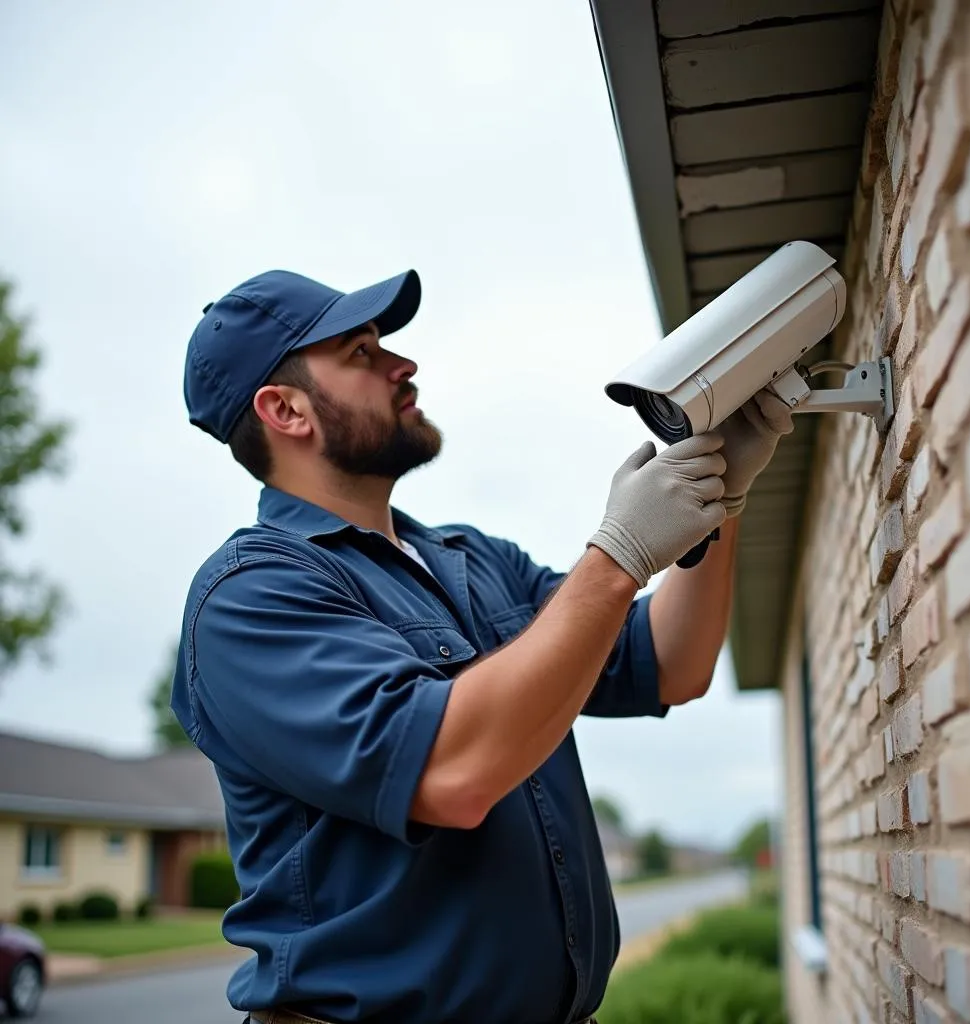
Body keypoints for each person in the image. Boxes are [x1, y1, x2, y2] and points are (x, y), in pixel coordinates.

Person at [170, 267, 793, 1024]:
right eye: (362, 352)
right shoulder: (251, 596)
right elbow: (451, 771)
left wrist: (716, 496)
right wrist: (621, 551)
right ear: (285, 409)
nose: (404, 364)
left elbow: (672, 662)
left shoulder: (470, 560)